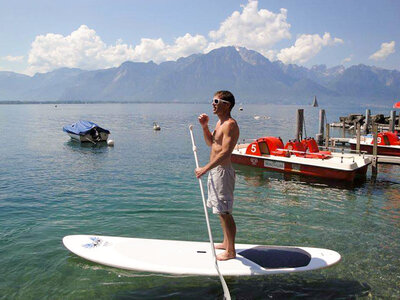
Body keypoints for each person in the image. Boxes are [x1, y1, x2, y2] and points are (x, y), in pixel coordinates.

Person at [195, 90, 240, 261]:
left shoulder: (230, 124)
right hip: (215, 171)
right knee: (220, 210)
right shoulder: (219, 123)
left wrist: (205, 168)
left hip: (222, 172)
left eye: (216, 101)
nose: (213, 104)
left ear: (226, 105)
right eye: (212, 100)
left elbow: (226, 152)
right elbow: (211, 144)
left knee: (225, 211)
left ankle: (231, 251)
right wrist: (205, 126)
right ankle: (226, 242)